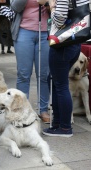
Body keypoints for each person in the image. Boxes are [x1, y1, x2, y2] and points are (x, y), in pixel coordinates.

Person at [42, 0, 89, 137]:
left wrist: (51, 5)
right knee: (57, 82)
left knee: (61, 85)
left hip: (62, 43)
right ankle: (58, 123)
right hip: (75, 41)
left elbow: (59, 20)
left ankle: (64, 127)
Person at [10, 0, 50, 123]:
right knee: (23, 74)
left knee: (43, 75)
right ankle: (22, 109)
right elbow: (15, 7)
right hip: (24, 31)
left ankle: (43, 109)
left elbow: (59, 8)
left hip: (45, 32)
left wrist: (48, 2)